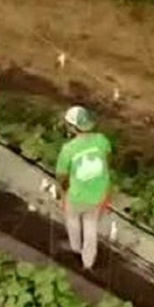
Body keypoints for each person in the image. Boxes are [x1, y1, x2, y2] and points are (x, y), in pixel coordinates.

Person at [55, 106, 112, 270]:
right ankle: (88, 261)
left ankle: (75, 248)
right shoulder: (102, 140)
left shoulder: (68, 149)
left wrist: (62, 192)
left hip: (76, 196)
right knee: (91, 225)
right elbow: (106, 160)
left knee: (72, 220)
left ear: (72, 127)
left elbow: (61, 175)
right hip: (98, 194)